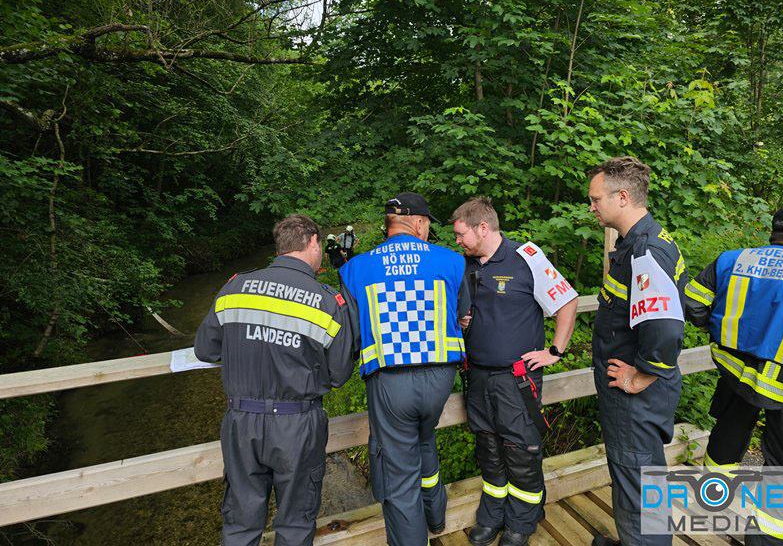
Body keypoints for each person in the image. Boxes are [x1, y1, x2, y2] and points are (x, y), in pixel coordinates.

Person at [194, 215, 354, 546]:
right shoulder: (326, 300)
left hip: (242, 422)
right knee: (295, 523)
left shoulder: (235, 286)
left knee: (240, 523)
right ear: (312, 242)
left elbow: (205, 350)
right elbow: (339, 374)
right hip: (297, 425)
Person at [338, 192, 471, 546]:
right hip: (441, 379)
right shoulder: (453, 261)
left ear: (389, 225)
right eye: (428, 225)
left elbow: (351, 333)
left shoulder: (354, 269)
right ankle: (436, 518)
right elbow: (462, 316)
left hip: (390, 381)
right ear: (419, 222)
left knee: (398, 474)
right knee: (423, 437)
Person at [451, 196, 579, 546]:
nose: (458, 241)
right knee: (488, 447)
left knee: (521, 449)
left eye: (461, 234)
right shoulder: (466, 266)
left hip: (516, 378)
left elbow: (567, 301)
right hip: (476, 374)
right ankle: (492, 516)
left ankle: (523, 521)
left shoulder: (527, 257)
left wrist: (555, 351)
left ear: (483, 227)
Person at [685, 202, 783, 545]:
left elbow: (693, 304)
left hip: (735, 372)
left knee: (729, 431)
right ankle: (763, 538)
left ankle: (709, 500)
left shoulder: (733, 259)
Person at [587, 156, 688, 546]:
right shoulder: (647, 241)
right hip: (636, 397)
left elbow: (663, 328)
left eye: (596, 199)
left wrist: (642, 374)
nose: (591, 206)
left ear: (623, 197)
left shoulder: (644, 251)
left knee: (638, 482)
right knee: (642, 477)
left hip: (636, 397)